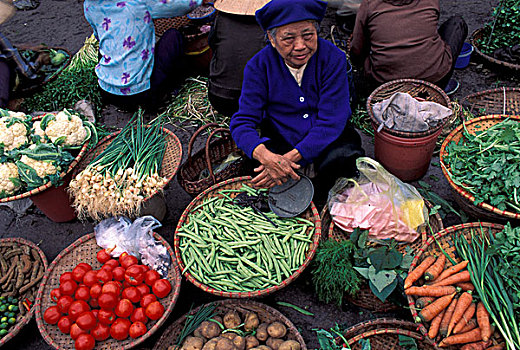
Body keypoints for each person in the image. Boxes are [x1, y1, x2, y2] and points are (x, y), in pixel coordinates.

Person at [230, 0, 364, 202]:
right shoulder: (258, 66)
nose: (301, 46)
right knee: (255, 169)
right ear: (272, 39)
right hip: (282, 135)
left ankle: (321, 202)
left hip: (327, 135)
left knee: (343, 158)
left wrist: (288, 160)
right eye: (288, 38)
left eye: (308, 35)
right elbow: (243, 122)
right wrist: (265, 156)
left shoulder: (333, 58)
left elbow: (332, 120)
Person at [83, 0, 208, 112]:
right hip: (142, 95)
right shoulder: (139, 1)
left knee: (107, 45)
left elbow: (99, 36)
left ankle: (116, 84)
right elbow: (181, 5)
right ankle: (167, 90)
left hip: (107, 90)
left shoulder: (89, 5)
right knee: (173, 36)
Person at [349, 0, 468, 94]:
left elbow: (356, 50)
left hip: (384, 85)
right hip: (433, 80)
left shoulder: (370, 4)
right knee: (456, 24)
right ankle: (438, 90)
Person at [207, 0, 269, 117]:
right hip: (255, 102)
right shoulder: (270, 21)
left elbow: (212, 44)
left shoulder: (221, 18)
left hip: (219, 96)